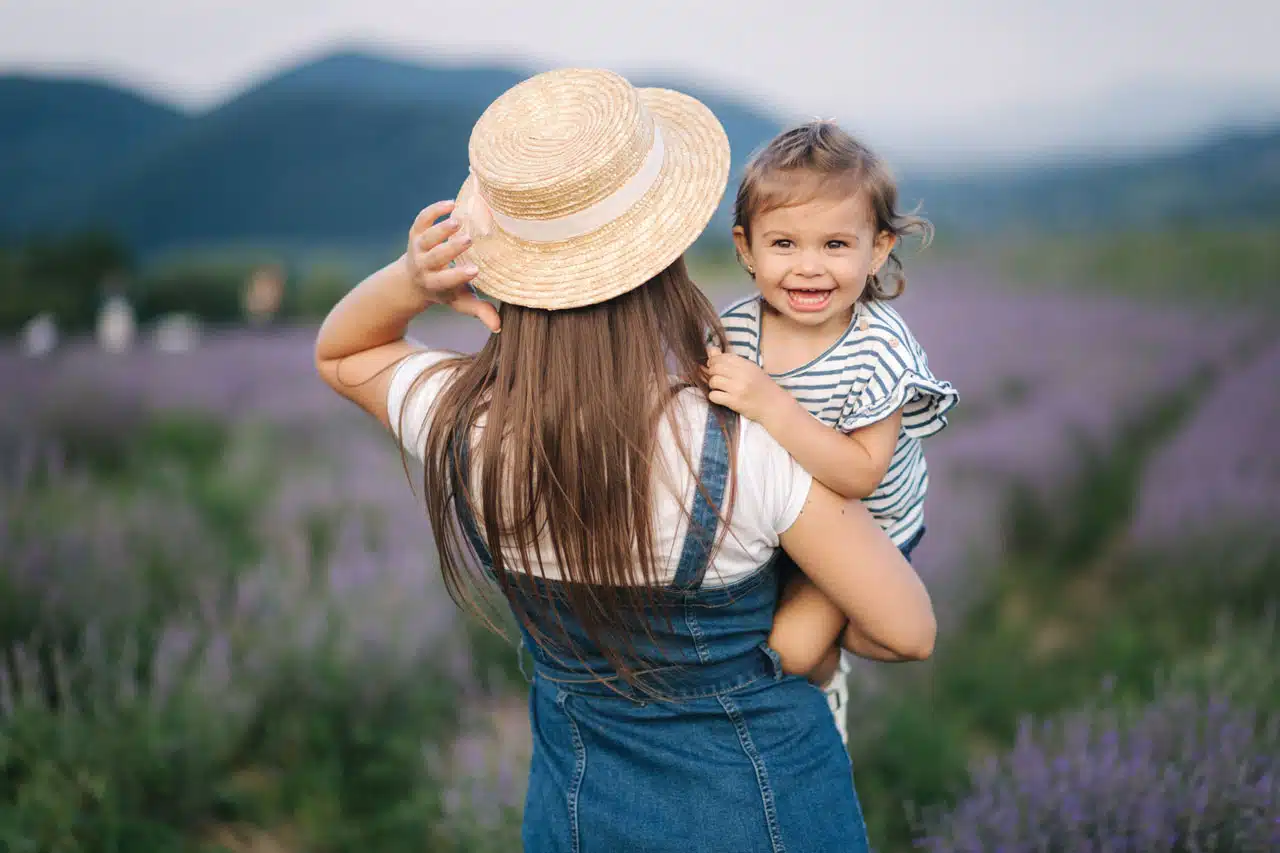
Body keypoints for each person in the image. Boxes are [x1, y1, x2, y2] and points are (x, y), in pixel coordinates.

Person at [315, 68, 935, 853]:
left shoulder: (463, 422)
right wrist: (811, 624)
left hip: (579, 816)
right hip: (766, 812)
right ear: (668, 250)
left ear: (508, 269)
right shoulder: (747, 444)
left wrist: (411, 279)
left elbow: (343, 352)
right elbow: (908, 630)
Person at [705, 121, 958, 745]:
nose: (809, 268)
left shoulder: (878, 348)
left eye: (836, 245)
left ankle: (824, 690)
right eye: (784, 243)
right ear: (746, 248)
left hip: (863, 528)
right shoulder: (737, 328)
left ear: (877, 250)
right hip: (784, 525)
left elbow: (860, 474)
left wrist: (773, 406)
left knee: (792, 651)